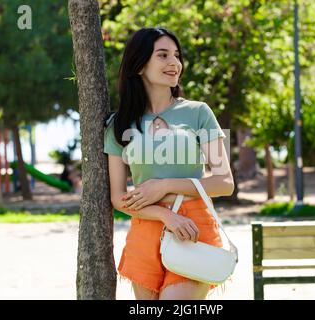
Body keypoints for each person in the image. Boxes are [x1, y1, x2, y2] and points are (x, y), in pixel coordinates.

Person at [102, 27, 234, 300]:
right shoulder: (119, 124)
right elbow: (117, 197)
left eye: (176, 55)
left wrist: (164, 186)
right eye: (162, 55)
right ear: (139, 65)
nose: (174, 63)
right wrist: (164, 215)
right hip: (144, 230)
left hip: (191, 228)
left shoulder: (198, 112)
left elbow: (224, 182)